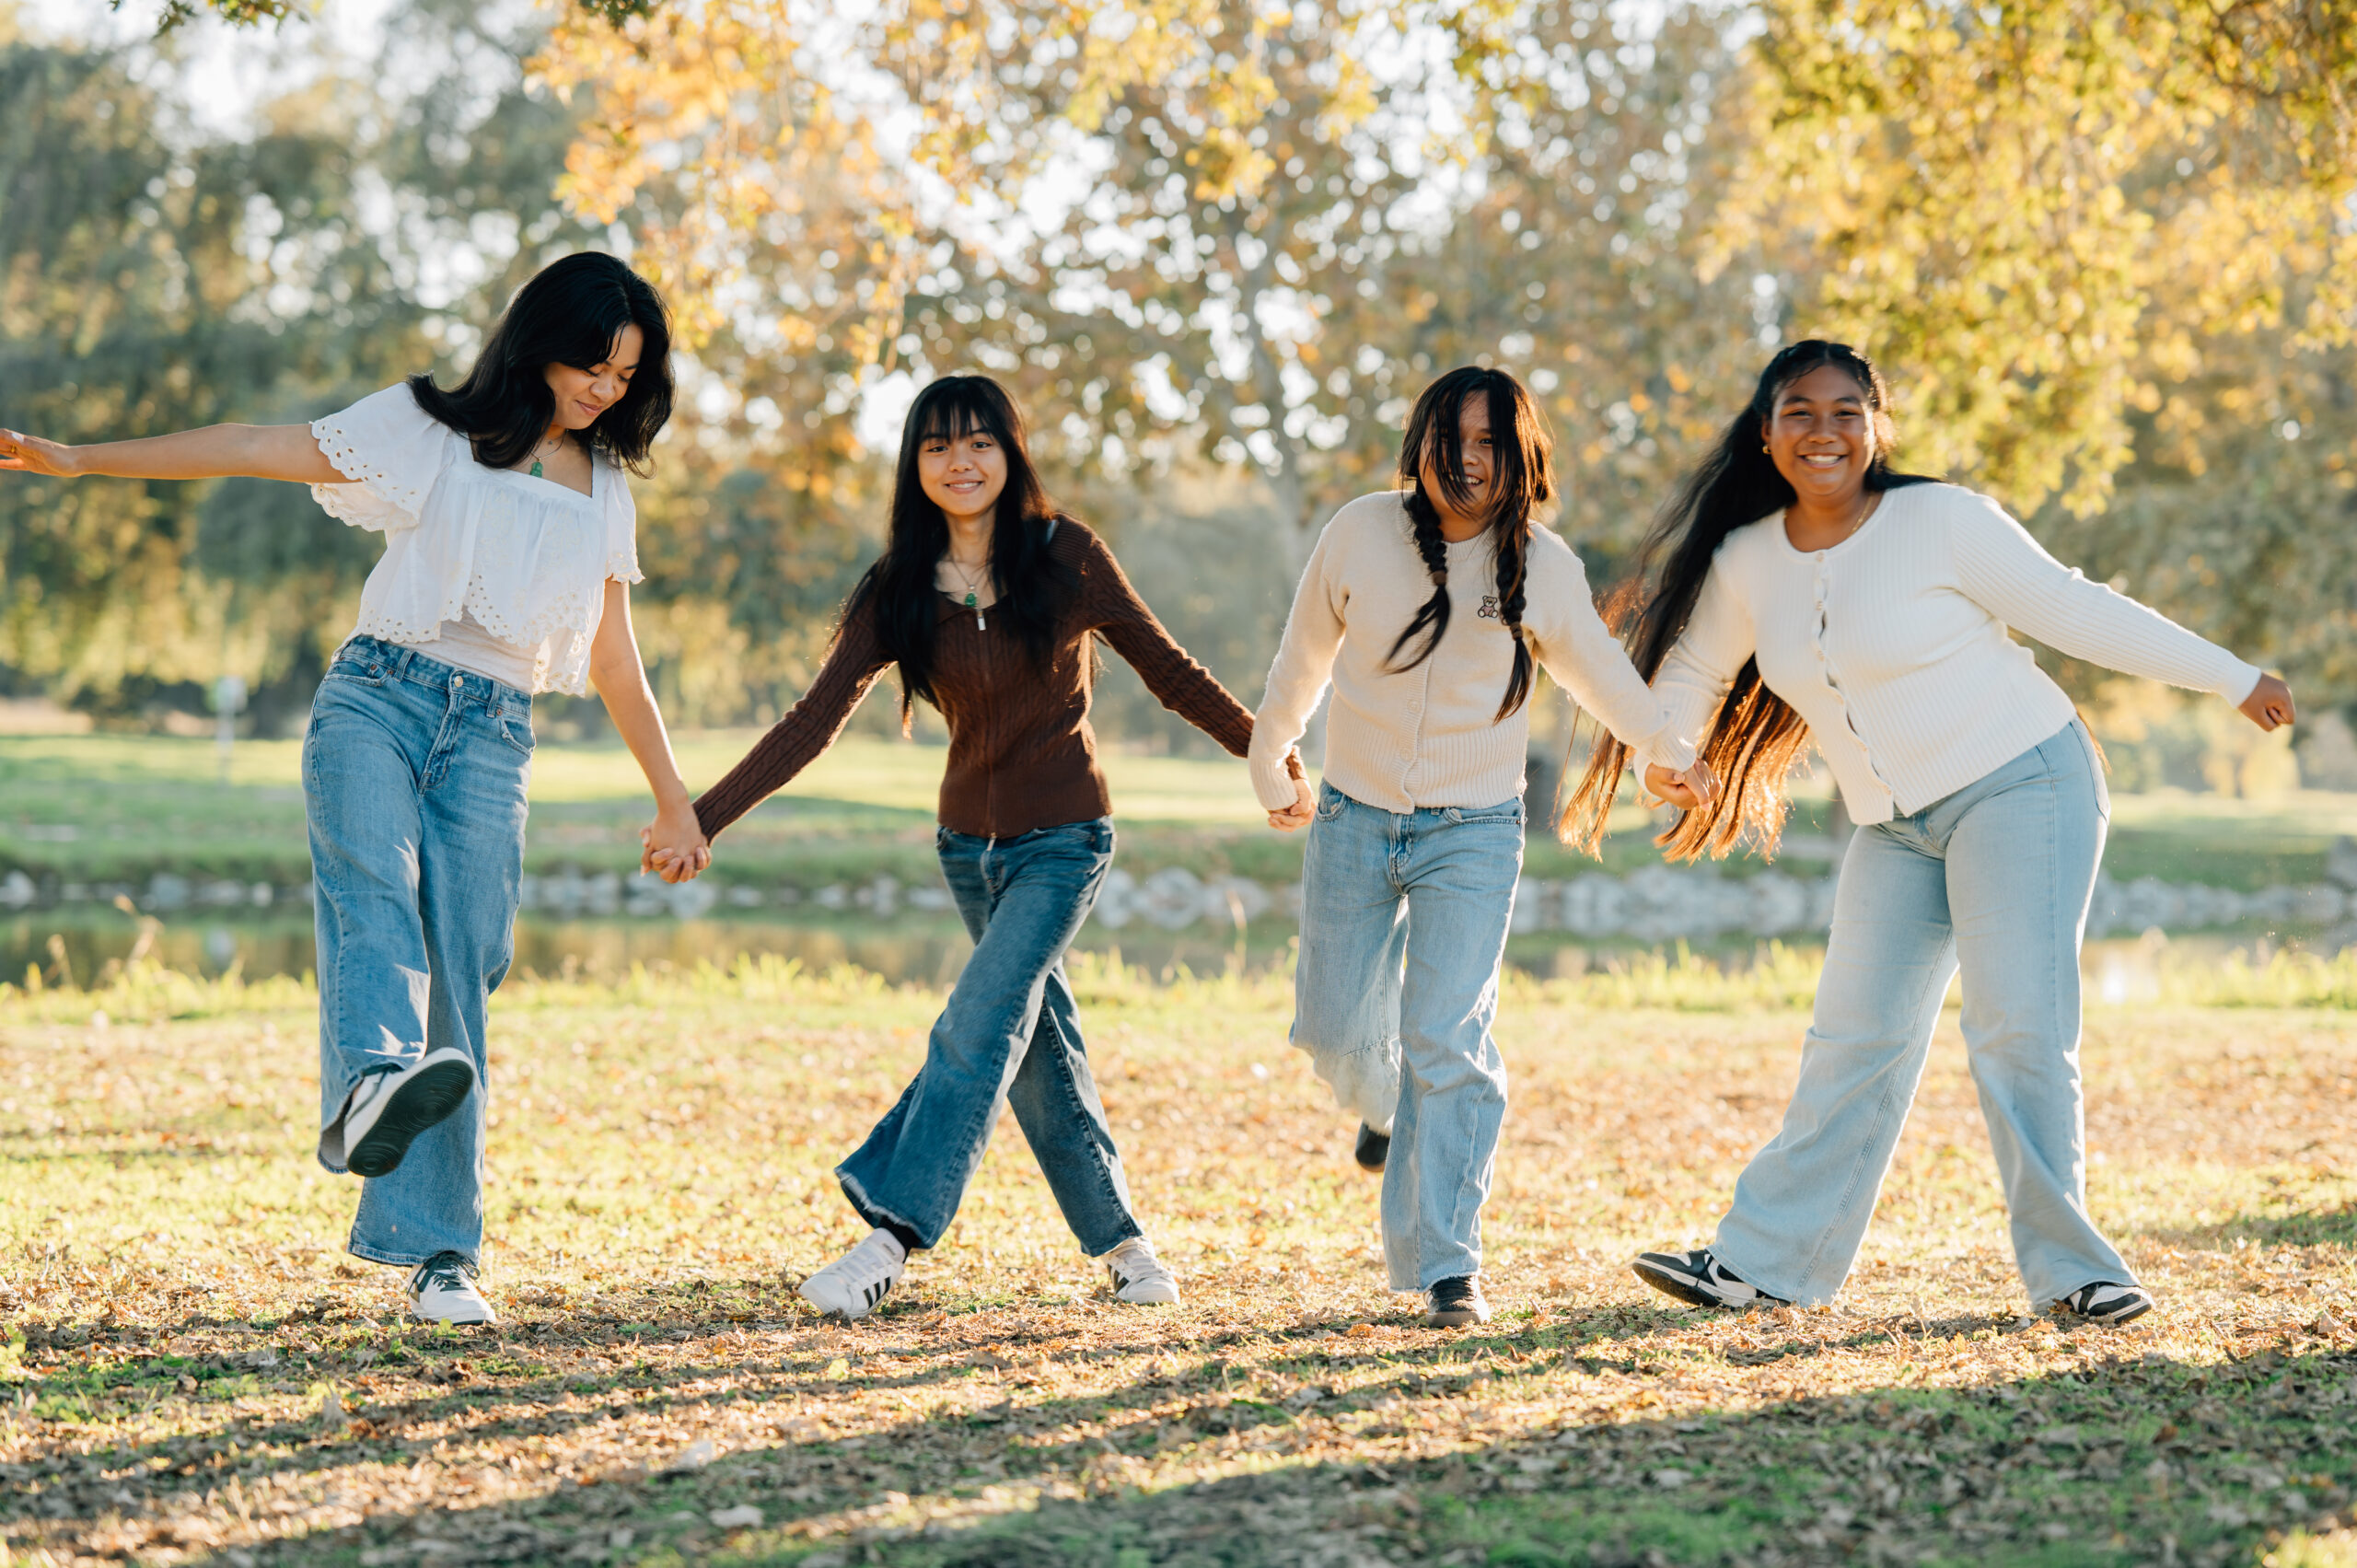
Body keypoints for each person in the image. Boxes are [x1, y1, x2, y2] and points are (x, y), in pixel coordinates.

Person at [0, 252, 712, 1325]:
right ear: (539, 339)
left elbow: (616, 658)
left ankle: (437, 1253)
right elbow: (252, 445)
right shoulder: (427, 427)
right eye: (592, 365)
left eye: (624, 376)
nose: (605, 391)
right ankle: (372, 1080)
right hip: (377, 697)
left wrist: (674, 796)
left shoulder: (603, 485)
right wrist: (82, 459)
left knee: (464, 968)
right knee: (373, 894)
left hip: (493, 732)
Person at [1562, 339, 2295, 1325]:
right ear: (1767, 435)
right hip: (1892, 824)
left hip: (2021, 783)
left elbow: (2074, 609)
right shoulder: (1749, 559)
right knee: (1851, 1036)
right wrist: (1666, 749)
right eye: (1799, 412)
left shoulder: (1942, 520)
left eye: (1844, 411)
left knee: (2016, 1029)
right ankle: (1764, 1263)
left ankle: (2076, 1273)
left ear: (1876, 426)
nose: (1823, 430)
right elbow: (1693, 671)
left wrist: (2229, 675)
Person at [670, 373, 1298, 1322]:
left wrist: (1272, 759)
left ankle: (891, 1236)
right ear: (913, 464)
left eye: (978, 443)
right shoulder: (897, 589)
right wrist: (702, 815)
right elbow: (811, 721)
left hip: (1065, 839)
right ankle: (1129, 1247)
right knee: (1037, 1044)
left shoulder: (1067, 557)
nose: (959, 463)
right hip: (969, 849)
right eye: (936, 446)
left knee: (976, 1025)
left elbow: (1170, 670)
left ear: (1010, 453)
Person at [1248, 366, 1689, 1328]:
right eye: (1452, 437)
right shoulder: (1359, 531)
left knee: (1447, 1035)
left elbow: (1602, 675)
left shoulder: (1539, 562)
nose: (1469, 459)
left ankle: (1449, 1264)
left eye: (1491, 441)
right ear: (1420, 443)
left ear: (1518, 454)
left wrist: (1664, 751)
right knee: (1328, 1026)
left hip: (1475, 828)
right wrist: (1271, 748)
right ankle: (1383, 1109)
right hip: (1352, 815)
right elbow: (1302, 655)